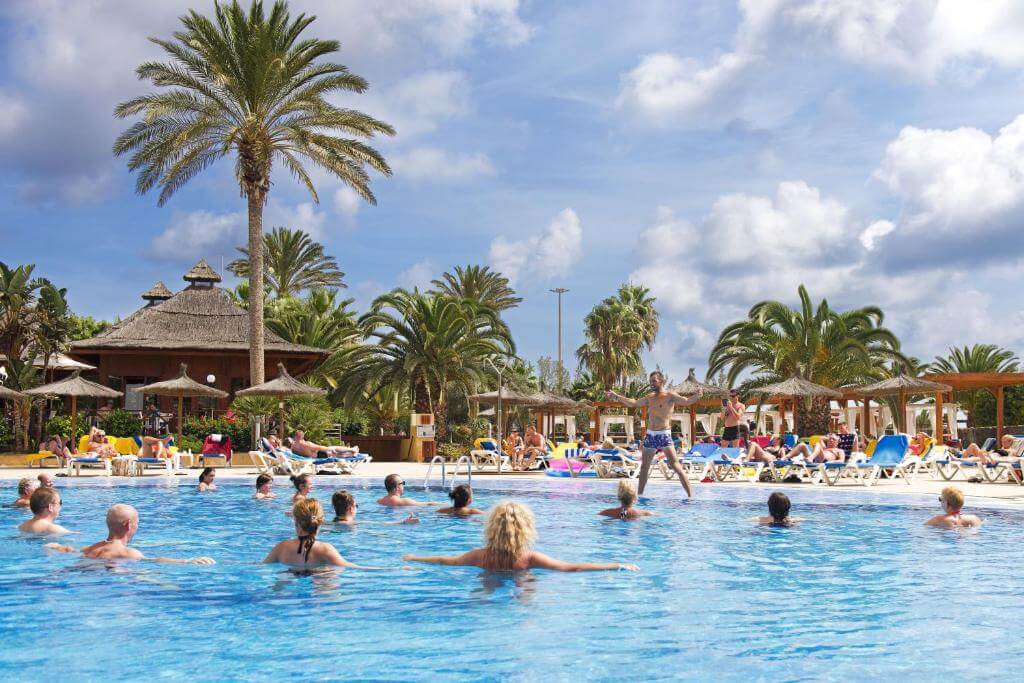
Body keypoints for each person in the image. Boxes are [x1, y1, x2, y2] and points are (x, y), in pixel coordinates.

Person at [404, 501, 638, 572]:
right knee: (526, 591)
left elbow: (447, 561)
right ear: (525, 528)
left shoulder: (479, 556)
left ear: (493, 527)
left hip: (487, 589)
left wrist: (414, 558)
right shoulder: (530, 558)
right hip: (521, 599)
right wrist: (615, 565)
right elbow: (571, 567)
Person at [606, 371, 703, 496]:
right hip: (651, 435)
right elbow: (634, 403)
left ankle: (690, 497)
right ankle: (639, 496)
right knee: (644, 467)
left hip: (664, 434)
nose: (651, 383)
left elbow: (687, 401)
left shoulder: (670, 395)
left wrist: (698, 395)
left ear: (661, 381)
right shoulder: (649, 397)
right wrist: (617, 396)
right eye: (650, 381)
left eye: (654, 381)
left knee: (675, 465)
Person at [45, 504, 214, 564]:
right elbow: (155, 560)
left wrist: (56, 546)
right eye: (137, 523)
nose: (137, 527)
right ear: (128, 525)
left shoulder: (90, 549)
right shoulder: (128, 553)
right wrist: (186, 561)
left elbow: (71, 550)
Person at [263, 499, 381, 569]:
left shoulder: (282, 547)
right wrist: (393, 568)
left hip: (289, 576)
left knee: (283, 579)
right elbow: (353, 567)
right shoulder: (325, 549)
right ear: (320, 522)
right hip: (317, 581)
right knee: (327, 573)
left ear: (295, 522)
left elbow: (261, 565)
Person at [331, 489, 418, 526]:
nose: (357, 508)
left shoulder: (332, 522)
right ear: (350, 509)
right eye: (356, 506)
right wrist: (403, 522)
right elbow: (380, 524)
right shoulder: (350, 524)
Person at [376, 474, 441, 507]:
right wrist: (444, 504)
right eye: (403, 483)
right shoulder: (404, 501)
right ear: (397, 487)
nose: (404, 485)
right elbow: (428, 504)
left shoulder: (379, 501)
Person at [289, 430, 357, 459]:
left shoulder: (293, 446)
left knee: (334, 453)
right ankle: (352, 450)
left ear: (295, 437)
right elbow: (320, 447)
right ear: (303, 436)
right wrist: (331, 449)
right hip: (320, 456)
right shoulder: (307, 444)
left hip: (309, 457)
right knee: (333, 449)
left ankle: (350, 452)